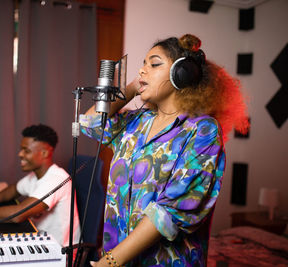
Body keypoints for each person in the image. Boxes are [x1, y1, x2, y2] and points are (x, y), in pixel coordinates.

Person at [80, 34, 249, 266]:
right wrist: (131, 88)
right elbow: (89, 123)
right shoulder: (136, 121)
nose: (142, 70)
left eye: (154, 64)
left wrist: (109, 262)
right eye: (142, 64)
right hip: (115, 257)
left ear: (181, 75)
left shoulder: (202, 131)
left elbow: (167, 214)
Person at [0, 124, 81, 247]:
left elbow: (17, 216)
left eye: (26, 151)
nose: (20, 154)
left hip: (59, 254)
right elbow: (14, 189)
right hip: (39, 241)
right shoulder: (36, 175)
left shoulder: (56, 179)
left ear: (44, 153)